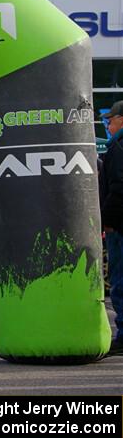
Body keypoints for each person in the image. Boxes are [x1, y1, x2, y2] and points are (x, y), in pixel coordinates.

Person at [99, 100, 123, 356]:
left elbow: (119, 187)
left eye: (111, 119)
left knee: (121, 282)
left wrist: (107, 218)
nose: (108, 124)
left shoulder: (117, 147)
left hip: (119, 226)